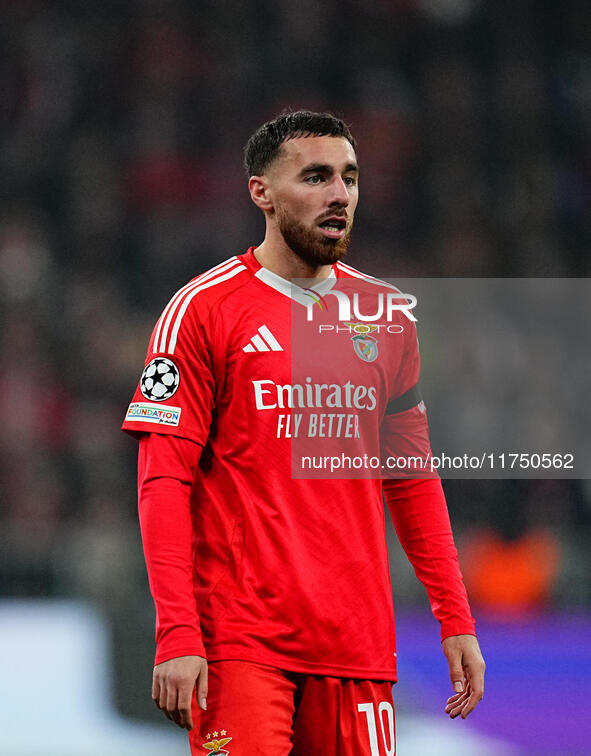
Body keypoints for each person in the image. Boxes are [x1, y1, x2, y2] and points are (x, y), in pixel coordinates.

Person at [122, 110, 485, 755]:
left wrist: (455, 618)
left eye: (348, 178)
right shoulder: (203, 311)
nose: (339, 194)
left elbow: (412, 479)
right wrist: (178, 633)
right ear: (261, 192)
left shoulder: (386, 319)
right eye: (315, 177)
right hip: (242, 643)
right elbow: (162, 482)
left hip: (358, 646)